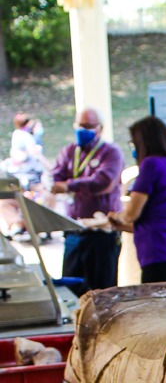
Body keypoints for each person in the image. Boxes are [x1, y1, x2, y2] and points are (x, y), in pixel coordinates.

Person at [107, 115, 166, 283]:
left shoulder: (150, 165)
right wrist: (122, 226)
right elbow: (158, 221)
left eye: (133, 143)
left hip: (160, 256)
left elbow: (131, 214)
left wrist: (115, 216)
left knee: (156, 308)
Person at [51, 107, 124, 296]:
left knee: (102, 293)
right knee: (71, 289)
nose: (83, 130)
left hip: (101, 234)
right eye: (80, 125)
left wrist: (69, 185)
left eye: (89, 126)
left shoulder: (111, 153)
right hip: (74, 231)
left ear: (100, 128)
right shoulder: (69, 151)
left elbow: (103, 183)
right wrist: (64, 185)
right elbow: (54, 178)